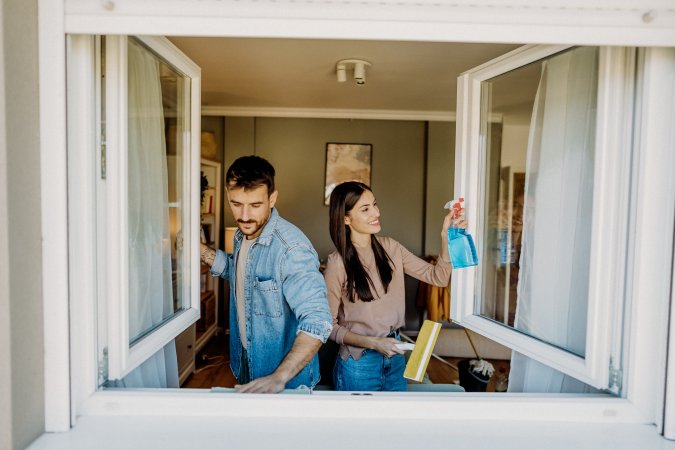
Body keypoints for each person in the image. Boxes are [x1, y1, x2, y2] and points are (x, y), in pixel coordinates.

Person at [201, 155, 332, 393]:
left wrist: (279, 377)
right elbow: (242, 275)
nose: (245, 215)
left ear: (272, 199)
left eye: (255, 205)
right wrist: (201, 251)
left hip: (287, 382)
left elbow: (318, 320)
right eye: (236, 203)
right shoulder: (243, 236)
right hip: (247, 363)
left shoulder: (291, 249)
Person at [323, 181, 465, 391]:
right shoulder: (337, 263)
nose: (376, 212)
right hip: (358, 363)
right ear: (346, 218)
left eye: (375, 204)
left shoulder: (391, 248)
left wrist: (446, 236)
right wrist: (374, 343)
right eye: (365, 209)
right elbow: (328, 328)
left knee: (394, 423)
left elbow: (438, 277)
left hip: (395, 358)